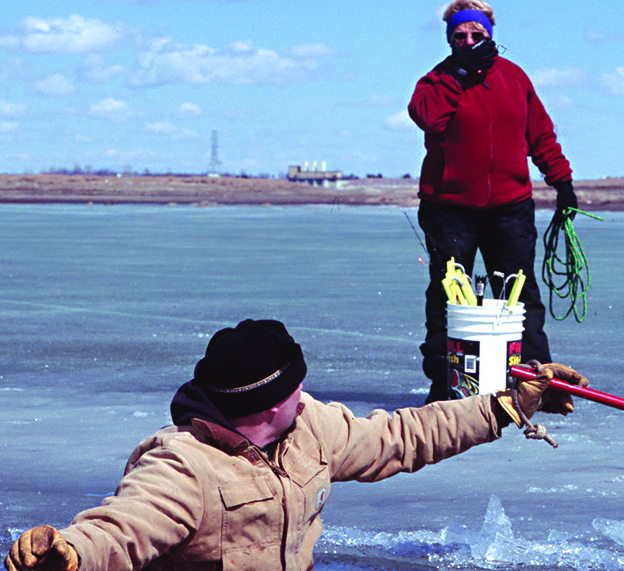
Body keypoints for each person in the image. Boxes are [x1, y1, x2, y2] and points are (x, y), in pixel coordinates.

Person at [5, 318, 589, 571]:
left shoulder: (308, 426)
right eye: (294, 385)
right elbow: (122, 529)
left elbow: (402, 436)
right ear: (268, 401)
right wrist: (72, 553)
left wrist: (509, 406)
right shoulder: (182, 466)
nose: (304, 390)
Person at [408, 0, 579, 404]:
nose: (468, 41)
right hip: (448, 209)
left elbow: (540, 135)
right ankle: (444, 386)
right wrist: (462, 74)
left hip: (509, 207)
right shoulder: (436, 81)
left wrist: (562, 182)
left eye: (476, 35)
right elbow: (428, 118)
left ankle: (541, 386)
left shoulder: (515, 78)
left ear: (490, 34)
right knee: (448, 298)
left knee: (520, 298)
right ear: (450, 40)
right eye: (460, 36)